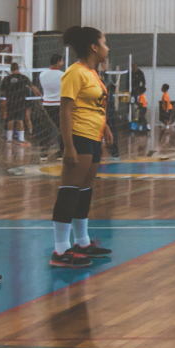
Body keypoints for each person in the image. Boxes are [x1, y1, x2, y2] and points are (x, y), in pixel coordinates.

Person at [52, 26, 114, 268]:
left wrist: (106, 128)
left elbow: (95, 106)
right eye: (105, 42)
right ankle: (60, 250)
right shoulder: (74, 73)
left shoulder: (92, 74)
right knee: (69, 190)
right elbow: (65, 110)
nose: (107, 48)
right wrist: (68, 146)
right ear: (93, 47)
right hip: (77, 137)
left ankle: (82, 242)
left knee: (84, 191)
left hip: (93, 137)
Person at [0, 61, 34, 143]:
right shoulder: (23, 77)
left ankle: (9, 139)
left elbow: (1, 91)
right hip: (20, 102)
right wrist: (39, 94)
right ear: (18, 69)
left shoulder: (6, 79)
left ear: (11, 69)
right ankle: (21, 139)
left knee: (10, 120)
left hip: (10, 102)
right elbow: (31, 86)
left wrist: (10, 91)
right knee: (20, 120)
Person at [37, 54, 64, 152]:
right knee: (62, 129)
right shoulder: (63, 75)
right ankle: (61, 152)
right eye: (61, 61)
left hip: (46, 105)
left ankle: (43, 154)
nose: (63, 63)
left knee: (45, 130)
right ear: (58, 62)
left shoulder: (42, 74)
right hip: (58, 105)